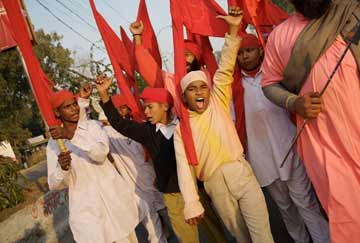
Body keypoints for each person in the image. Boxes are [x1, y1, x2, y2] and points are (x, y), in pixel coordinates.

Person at [261, 0, 360, 242]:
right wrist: (294, 103)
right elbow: (269, 84)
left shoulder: (350, 12)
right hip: (325, 143)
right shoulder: (280, 36)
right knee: (347, 214)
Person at [174, 7, 274, 243]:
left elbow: (227, 67)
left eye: (202, 88)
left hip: (240, 172)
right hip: (215, 186)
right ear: (185, 96)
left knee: (262, 236)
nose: (199, 92)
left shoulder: (218, 101)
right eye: (192, 89)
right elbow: (184, 168)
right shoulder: (183, 129)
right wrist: (191, 203)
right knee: (242, 238)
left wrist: (231, 30)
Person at [237, 33, 329, 243]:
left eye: (249, 50)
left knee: (306, 203)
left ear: (261, 50)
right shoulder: (234, 86)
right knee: (286, 209)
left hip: (290, 147)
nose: (245, 56)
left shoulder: (275, 74)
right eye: (240, 53)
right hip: (262, 159)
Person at [96, 79, 210, 242]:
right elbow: (119, 123)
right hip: (173, 195)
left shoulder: (184, 124)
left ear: (165, 106)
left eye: (150, 107)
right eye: (145, 108)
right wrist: (103, 94)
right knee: (188, 238)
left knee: (214, 230)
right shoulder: (147, 131)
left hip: (198, 189)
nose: (146, 112)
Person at [46, 90, 140, 243]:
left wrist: (71, 136)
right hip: (87, 209)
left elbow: (101, 154)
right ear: (57, 112)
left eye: (74, 104)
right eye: (67, 107)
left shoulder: (94, 127)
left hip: (113, 199)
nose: (74, 109)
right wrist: (62, 169)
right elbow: (53, 184)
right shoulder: (54, 144)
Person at [78, 90, 167, 242]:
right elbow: (84, 126)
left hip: (156, 180)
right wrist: (82, 103)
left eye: (123, 107)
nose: (121, 110)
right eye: (118, 108)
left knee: (170, 216)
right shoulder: (108, 133)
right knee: (153, 225)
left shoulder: (141, 126)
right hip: (136, 185)